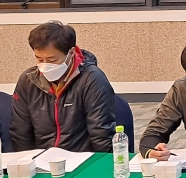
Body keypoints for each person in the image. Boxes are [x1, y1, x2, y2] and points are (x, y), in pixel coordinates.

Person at [10, 21, 115, 152]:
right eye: (39, 59)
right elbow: (20, 132)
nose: (45, 65)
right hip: (41, 159)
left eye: (52, 60)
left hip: (81, 159)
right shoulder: (28, 80)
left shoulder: (92, 80)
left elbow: (101, 134)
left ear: (71, 53)